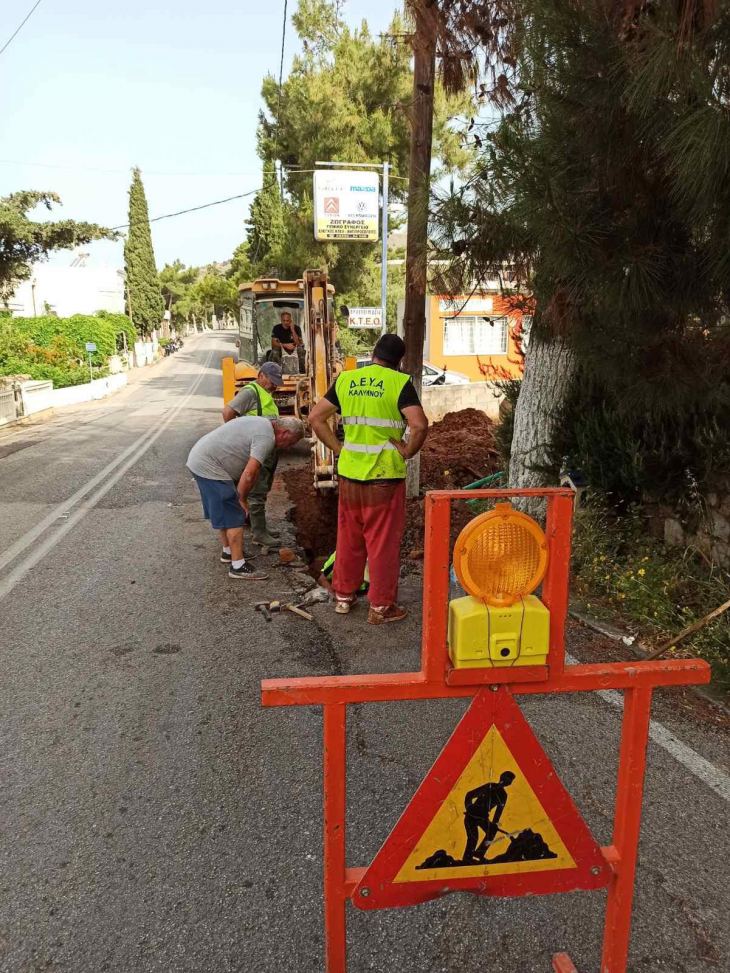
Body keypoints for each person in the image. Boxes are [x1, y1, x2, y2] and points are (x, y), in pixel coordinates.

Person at [308, 333, 429, 625]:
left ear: (373, 354)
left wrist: (339, 449)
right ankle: (381, 607)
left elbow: (315, 418)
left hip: (350, 475)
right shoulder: (399, 383)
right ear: (399, 361)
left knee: (349, 538)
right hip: (384, 477)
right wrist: (408, 451)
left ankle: (343, 598)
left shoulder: (347, 380)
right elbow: (420, 425)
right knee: (382, 543)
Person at [186, 416, 304, 579]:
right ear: (284, 432)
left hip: (201, 460)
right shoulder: (266, 439)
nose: (289, 448)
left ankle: (228, 552)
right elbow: (249, 473)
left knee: (224, 510)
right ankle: (238, 566)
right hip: (210, 466)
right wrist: (241, 500)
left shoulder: (263, 424)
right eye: (291, 442)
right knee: (234, 515)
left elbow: (252, 474)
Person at [221, 362, 283, 547]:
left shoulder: (265, 394)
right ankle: (259, 533)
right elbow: (227, 412)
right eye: (272, 381)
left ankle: (261, 527)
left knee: (262, 490)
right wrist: (239, 436)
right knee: (256, 492)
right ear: (261, 375)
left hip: (265, 448)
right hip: (255, 449)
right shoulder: (250, 392)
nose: (275, 385)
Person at [462, 771, 516, 864]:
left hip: (483, 817)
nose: (506, 782)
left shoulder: (503, 795)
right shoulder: (489, 786)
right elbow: (469, 795)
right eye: (506, 778)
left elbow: (498, 812)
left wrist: (494, 824)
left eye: (509, 780)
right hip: (471, 816)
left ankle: (479, 854)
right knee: (473, 837)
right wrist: (469, 807)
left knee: (492, 831)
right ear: (501, 777)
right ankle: (467, 859)